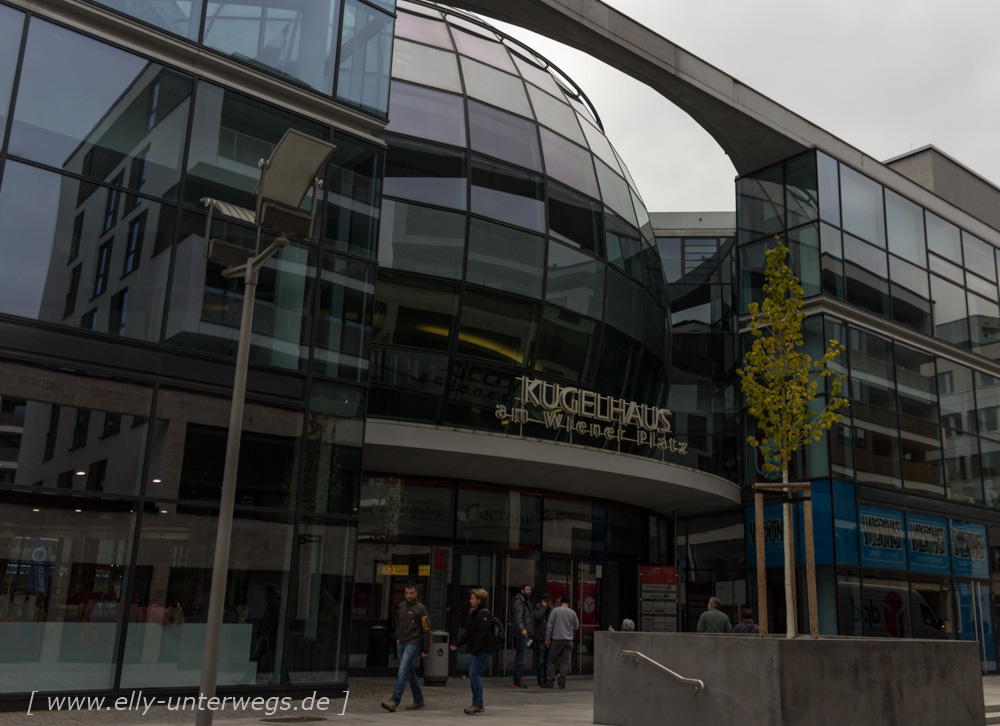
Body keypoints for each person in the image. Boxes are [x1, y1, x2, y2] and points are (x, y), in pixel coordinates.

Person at [381, 582, 431, 712]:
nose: (408, 596)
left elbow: (426, 629)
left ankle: (394, 701)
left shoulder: (421, 609)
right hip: (402, 642)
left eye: (411, 593)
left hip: (413, 643)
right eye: (407, 593)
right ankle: (419, 699)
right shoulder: (402, 606)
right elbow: (398, 622)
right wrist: (397, 638)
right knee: (409, 672)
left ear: (416, 593)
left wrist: (426, 649)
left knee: (402, 671)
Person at [450, 588, 495, 714]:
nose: (470, 600)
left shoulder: (483, 613)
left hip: (484, 649)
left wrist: (475, 650)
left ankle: (478, 704)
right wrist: (457, 644)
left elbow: (483, 634)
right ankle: (477, 703)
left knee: (474, 674)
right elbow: (469, 632)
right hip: (478, 649)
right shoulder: (474, 613)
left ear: (479, 600)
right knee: (474, 674)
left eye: (472, 598)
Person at [541, 595, 579, 689]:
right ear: (569, 603)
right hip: (568, 640)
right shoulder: (572, 613)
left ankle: (549, 681)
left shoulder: (555, 611)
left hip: (557, 639)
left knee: (551, 660)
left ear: (560, 602)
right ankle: (562, 682)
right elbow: (577, 626)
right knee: (565, 662)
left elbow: (550, 625)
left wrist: (547, 638)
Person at [510, 583, 532, 688]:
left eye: (530, 589)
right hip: (521, 632)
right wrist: (522, 629)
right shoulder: (519, 601)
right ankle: (517, 680)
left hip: (524, 631)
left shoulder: (525, 601)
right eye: (527, 589)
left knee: (521, 656)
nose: (529, 591)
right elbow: (518, 617)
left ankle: (517, 679)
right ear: (522, 591)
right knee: (521, 657)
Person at [532, 593, 553, 686]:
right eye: (547, 601)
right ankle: (541, 678)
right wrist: (543, 608)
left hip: (549, 637)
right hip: (541, 637)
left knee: (548, 659)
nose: (548, 603)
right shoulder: (537, 608)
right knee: (541, 659)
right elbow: (537, 617)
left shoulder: (552, 609)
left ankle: (547, 678)